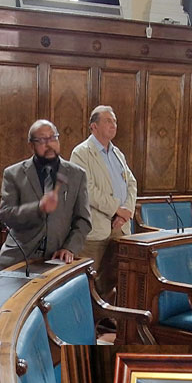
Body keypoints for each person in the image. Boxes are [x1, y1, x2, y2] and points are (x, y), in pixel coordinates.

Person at [0, 119, 91, 272]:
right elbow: (6, 215)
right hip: (19, 258)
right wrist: (38, 208)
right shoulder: (14, 174)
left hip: (57, 259)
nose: (49, 144)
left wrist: (70, 248)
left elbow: (83, 220)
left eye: (53, 138)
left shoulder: (77, 174)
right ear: (31, 145)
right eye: (42, 140)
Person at [67, 105, 137, 296]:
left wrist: (125, 213)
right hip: (95, 228)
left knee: (112, 278)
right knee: (90, 280)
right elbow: (87, 189)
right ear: (94, 126)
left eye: (114, 121)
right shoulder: (81, 153)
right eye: (108, 121)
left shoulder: (117, 153)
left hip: (120, 227)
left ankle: (106, 315)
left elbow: (131, 183)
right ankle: (89, 322)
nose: (113, 125)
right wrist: (117, 209)